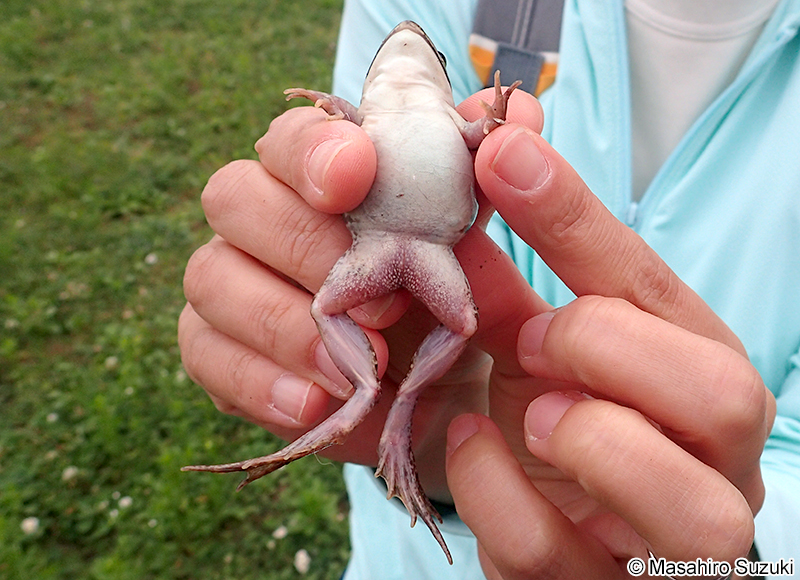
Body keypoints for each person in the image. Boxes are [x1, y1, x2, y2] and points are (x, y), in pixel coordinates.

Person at [178, 0, 800, 577]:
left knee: (438, 320)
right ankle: (387, 406)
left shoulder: (439, 106)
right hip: (398, 257)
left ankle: (382, 406)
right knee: (353, 316)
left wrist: (734, 559)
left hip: (418, 254)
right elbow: (391, 140)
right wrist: (441, 420)